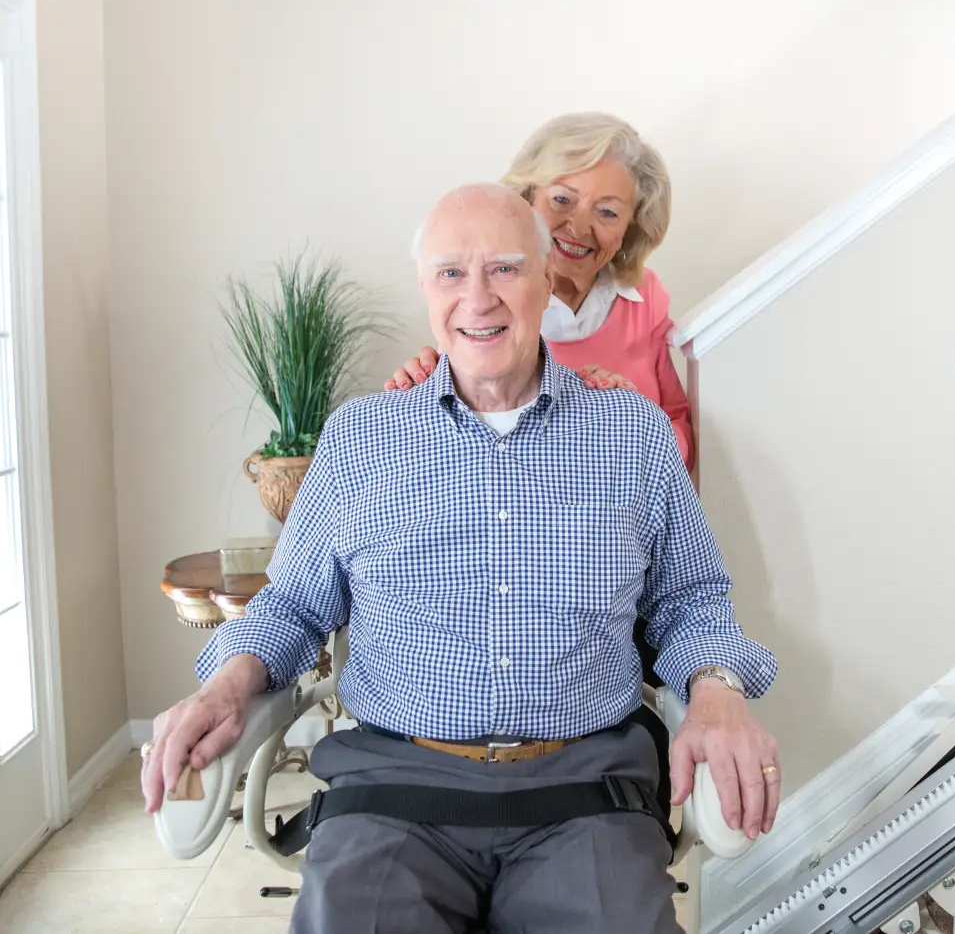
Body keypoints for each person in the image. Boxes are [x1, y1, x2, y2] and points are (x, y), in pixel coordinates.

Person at [142, 183, 778, 933]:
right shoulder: (360, 439)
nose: (478, 298)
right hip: (393, 794)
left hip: (583, 796)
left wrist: (717, 689)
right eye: (451, 273)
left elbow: (690, 599)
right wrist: (226, 685)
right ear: (426, 289)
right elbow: (293, 605)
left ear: (549, 282)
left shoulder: (629, 434)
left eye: (505, 269)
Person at [385, 113, 696, 468]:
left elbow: (681, 435)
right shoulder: (487, 307)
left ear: (631, 226)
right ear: (527, 198)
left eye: (607, 212)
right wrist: (420, 383)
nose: (578, 228)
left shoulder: (645, 299)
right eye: (562, 200)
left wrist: (631, 420)